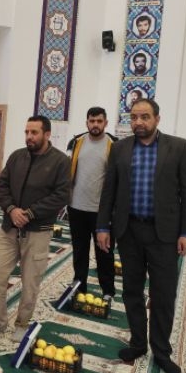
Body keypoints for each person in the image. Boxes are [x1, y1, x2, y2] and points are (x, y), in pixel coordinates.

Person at [96, 98, 186, 373]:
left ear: (157, 119)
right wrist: (102, 226)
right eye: (134, 117)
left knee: (163, 294)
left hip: (164, 234)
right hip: (129, 231)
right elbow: (109, 190)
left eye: (144, 117)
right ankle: (138, 343)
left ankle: (161, 352)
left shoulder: (179, 147)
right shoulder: (120, 148)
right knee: (131, 290)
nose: (138, 122)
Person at [0, 115, 70, 342]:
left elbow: (61, 195)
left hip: (37, 232)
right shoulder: (17, 156)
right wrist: (11, 210)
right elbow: (2, 185)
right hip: (9, 229)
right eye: (27, 132)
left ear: (47, 134)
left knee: (30, 282)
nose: (29, 136)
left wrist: (29, 213)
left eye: (34, 132)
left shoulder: (60, 161)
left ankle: (22, 323)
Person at [66, 107, 117, 301]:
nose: (95, 124)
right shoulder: (76, 142)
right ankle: (79, 286)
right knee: (79, 250)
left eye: (99, 121)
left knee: (104, 251)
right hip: (76, 207)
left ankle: (108, 290)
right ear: (87, 122)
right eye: (92, 121)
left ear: (106, 123)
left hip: (101, 212)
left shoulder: (114, 145)